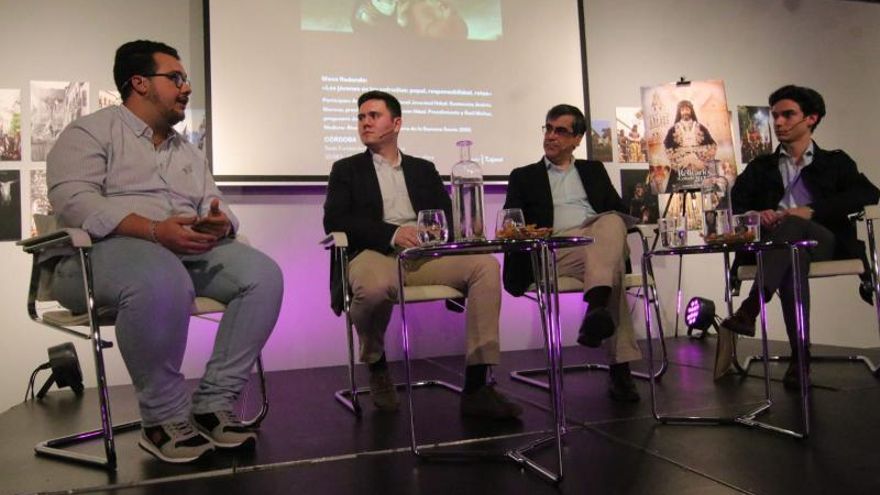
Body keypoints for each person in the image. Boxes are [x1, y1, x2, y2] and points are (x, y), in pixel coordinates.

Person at [46, 40, 284, 463]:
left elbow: (217, 202)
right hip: (91, 259)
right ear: (139, 83)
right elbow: (76, 203)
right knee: (159, 272)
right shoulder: (89, 132)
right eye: (175, 78)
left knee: (263, 275)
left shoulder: (187, 151)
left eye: (185, 78)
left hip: (179, 255)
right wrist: (155, 231)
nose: (186, 87)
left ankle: (213, 405)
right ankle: (163, 419)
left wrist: (220, 222)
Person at [323, 90, 521, 419]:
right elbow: (336, 220)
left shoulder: (422, 168)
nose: (365, 123)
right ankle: (376, 361)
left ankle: (476, 387)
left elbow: (444, 212)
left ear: (396, 123)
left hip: (422, 255)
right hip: (375, 251)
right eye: (361, 117)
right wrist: (392, 232)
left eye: (373, 115)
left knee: (485, 266)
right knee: (372, 289)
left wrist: (434, 230)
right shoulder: (346, 169)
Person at [720, 85, 879, 387]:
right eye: (775, 116)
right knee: (792, 253)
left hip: (825, 242)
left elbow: (868, 193)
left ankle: (751, 307)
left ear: (811, 118)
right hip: (775, 247)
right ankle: (799, 358)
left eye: (787, 114)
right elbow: (734, 204)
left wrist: (811, 211)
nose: (778, 122)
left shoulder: (835, 161)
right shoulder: (761, 167)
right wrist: (759, 213)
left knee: (793, 225)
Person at [503, 104, 643, 402]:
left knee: (609, 222)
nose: (551, 136)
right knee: (612, 261)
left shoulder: (593, 171)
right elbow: (511, 222)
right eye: (548, 128)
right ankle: (620, 367)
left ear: (577, 139)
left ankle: (596, 309)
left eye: (560, 131)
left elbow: (618, 210)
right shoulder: (524, 176)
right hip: (554, 249)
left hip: (595, 244)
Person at [663, 100, 717, 183]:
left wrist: (702, 155)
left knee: (704, 185)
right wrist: (679, 156)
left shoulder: (700, 127)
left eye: (687, 109)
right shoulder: (673, 129)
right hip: (681, 164)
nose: (685, 112)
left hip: (699, 163)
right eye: (682, 110)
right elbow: (667, 145)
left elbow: (712, 144)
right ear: (679, 112)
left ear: (691, 111)